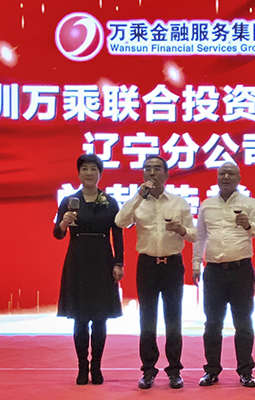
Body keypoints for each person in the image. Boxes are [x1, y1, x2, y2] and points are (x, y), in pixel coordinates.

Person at [115, 156, 197, 390]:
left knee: (173, 319)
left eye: (157, 169)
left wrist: (181, 229)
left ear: (166, 174)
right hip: (147, 265)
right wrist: (138, 196)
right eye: (148, 169)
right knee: (147, 319)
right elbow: (120, 221)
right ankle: (148, 370)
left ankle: (174, 370)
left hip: (172, 265)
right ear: (143, 174)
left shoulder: (179, 202)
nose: (152, 173)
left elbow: (194, 235)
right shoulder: (138, 201)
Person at [192, 162, 255, 388]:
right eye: (222, 173)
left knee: (243, 323)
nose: (225, 177)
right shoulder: (207, 205)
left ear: (239, 178)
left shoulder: (250, 203)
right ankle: (211, 370)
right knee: (212, 324)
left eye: (230, 174)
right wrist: (196, 264)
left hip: (241, 270)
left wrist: (249, 226)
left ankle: (246, 371)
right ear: (217, 178)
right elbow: (200, 236)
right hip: (214, 271)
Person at [53, 153, 124, 386]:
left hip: (103, 260)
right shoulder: (69, 201)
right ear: (79, 173)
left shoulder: (110, 202)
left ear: (100, 174)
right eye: (84, 169)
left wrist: (119, 263)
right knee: (80, 318)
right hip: (78, 260)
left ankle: (97, 367)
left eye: (93, 169)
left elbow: (118, 235)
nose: (89, 173)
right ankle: (82, 367)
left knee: (100, 318)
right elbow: (57, 234)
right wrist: (64, 223)